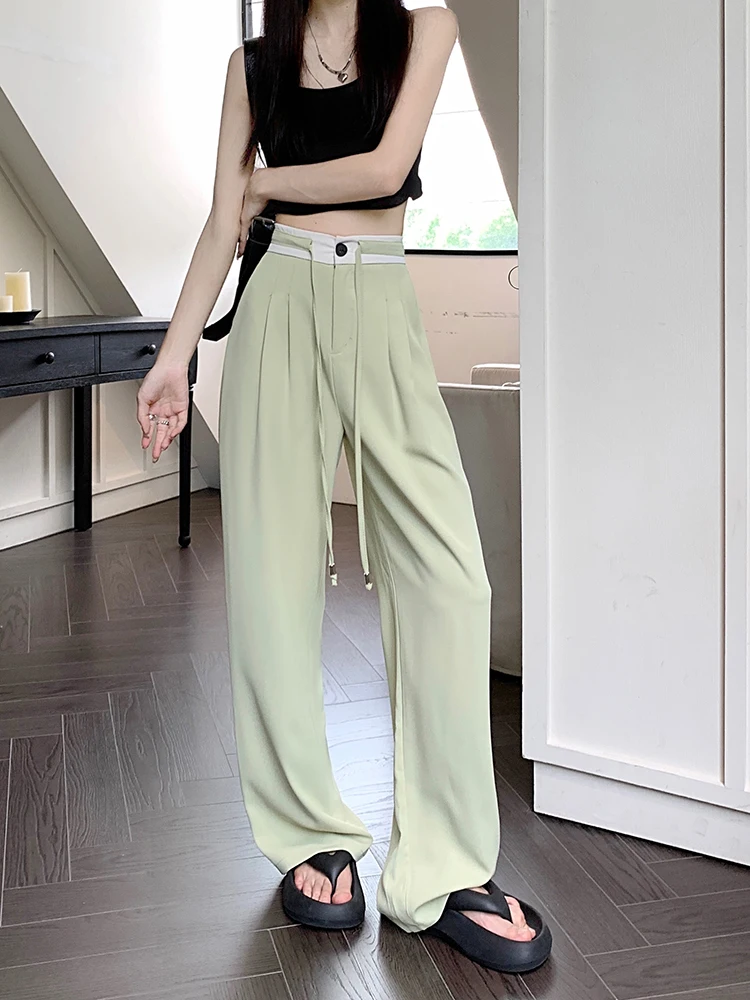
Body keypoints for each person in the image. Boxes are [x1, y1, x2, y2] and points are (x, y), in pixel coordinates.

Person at [136, 0, 551, 975]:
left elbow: (383, 168)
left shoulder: (424, 31)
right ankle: (308, 832)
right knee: (272, 582)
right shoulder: (252, 65)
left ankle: (442, 868)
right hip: (277, 301)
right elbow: (221, 223)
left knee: (449, 579)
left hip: (378, 295)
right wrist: (173, 357)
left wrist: (263, 183)